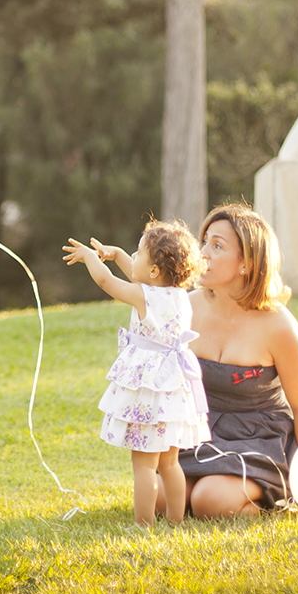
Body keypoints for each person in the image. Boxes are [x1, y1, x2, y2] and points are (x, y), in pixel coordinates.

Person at [64, 220, 210, 527]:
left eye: (138, 253)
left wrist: (91, 259)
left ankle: (143, 525)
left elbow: (107, 283)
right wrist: (116, 253)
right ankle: (175, 521)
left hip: (150, 389)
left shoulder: (145, 296)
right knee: (170, 463)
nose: (133, 256)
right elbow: (135, 272)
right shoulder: (179, 296)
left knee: (144, 465)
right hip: (172, 391)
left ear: (154, 271)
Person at [178, 203, 298, 517]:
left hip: (258, 438)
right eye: (204, 242)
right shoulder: (186, 308)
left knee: (208, 501)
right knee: (160, 498)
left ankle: (265, 499)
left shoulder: (278, 326)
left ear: (246, 264)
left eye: (217, 246)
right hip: (200, 431)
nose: (203, 254)